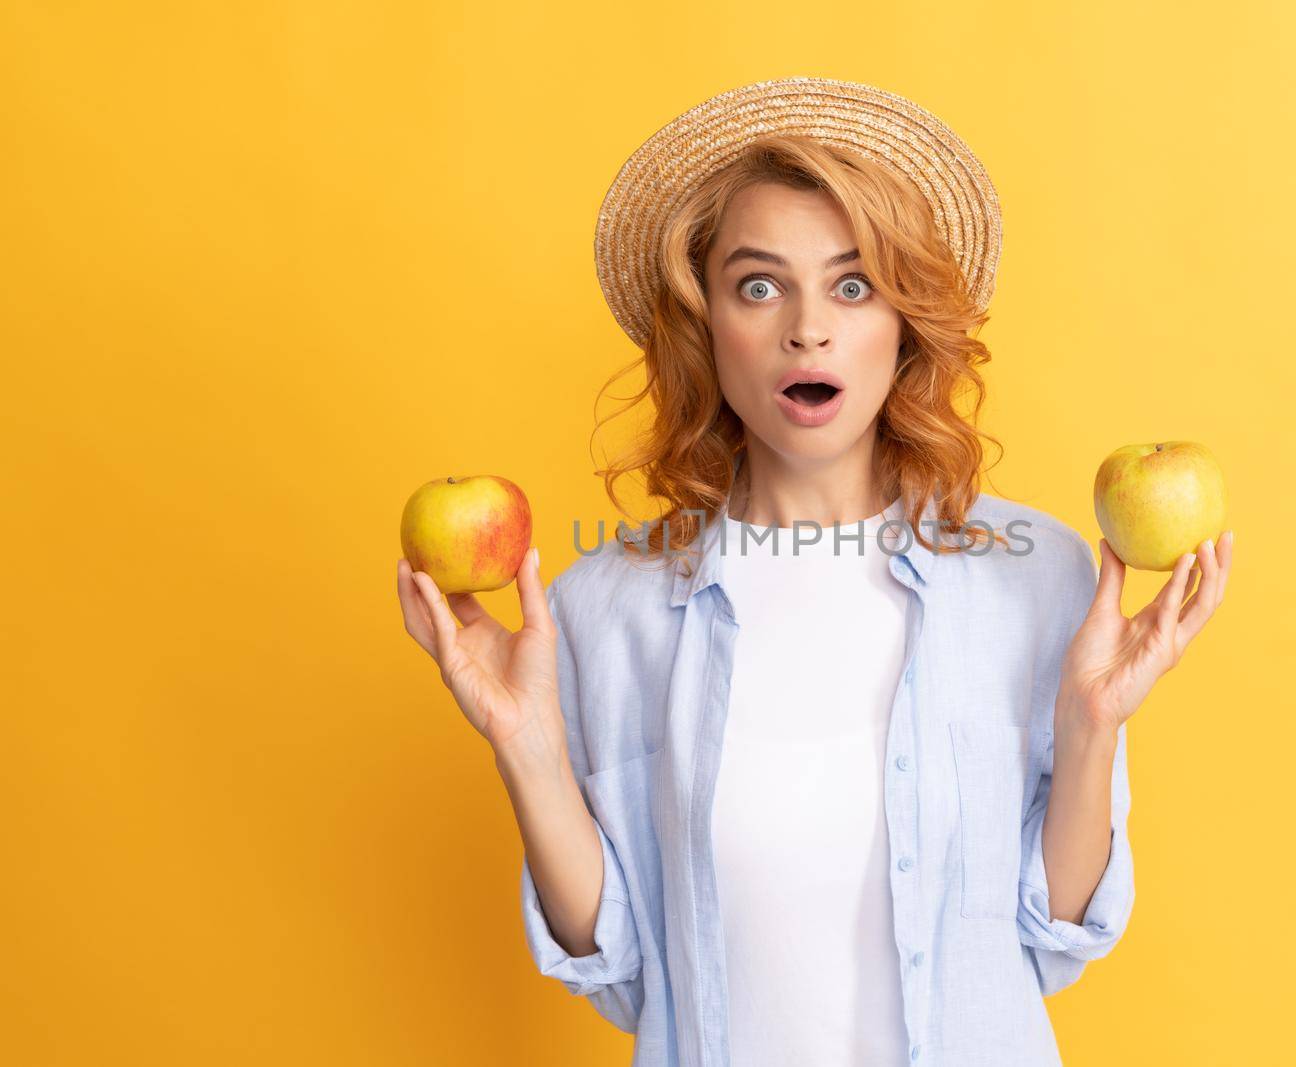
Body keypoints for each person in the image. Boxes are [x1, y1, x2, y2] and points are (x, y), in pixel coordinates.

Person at [396, 77, 1233, 1067]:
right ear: (704, 321)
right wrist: (528, 746)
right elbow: (619, 971)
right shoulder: (600, 609)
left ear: (904, 322)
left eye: (852, 283)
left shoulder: (1036, 575)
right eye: (758, 285)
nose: (808, 327)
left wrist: (1093, 726)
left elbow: (1053, 937)